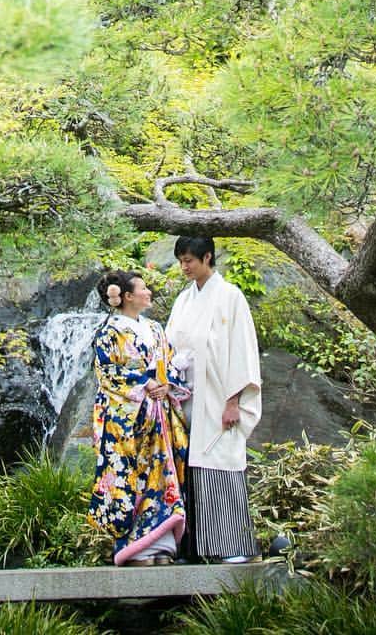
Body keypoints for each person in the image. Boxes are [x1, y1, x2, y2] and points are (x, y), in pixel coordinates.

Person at [166, 235, 262, 563]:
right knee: (187, 470)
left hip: (219, 398)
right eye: (180, 261)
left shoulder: (230, 297)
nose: (184, 267)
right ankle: (193, 548)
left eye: (189, 260)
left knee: (220, 465)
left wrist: (233, 401)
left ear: (207, 257)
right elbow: (170, 345)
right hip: (186, 397)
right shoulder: (183, 300)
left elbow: (242, 352)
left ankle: (232, 547)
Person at [87, 269, 190, 566]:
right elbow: (108, 373)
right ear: (127, 296)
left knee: (162, 474)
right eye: (143, 289)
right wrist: (145, 384)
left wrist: (166, 383)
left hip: (158, 413)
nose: (149, 293)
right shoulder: (109, 333)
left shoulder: (155, 328)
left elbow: (168, 361)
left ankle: (163, 547)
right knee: (130, 477)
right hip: (126, 419)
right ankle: (136, 549)